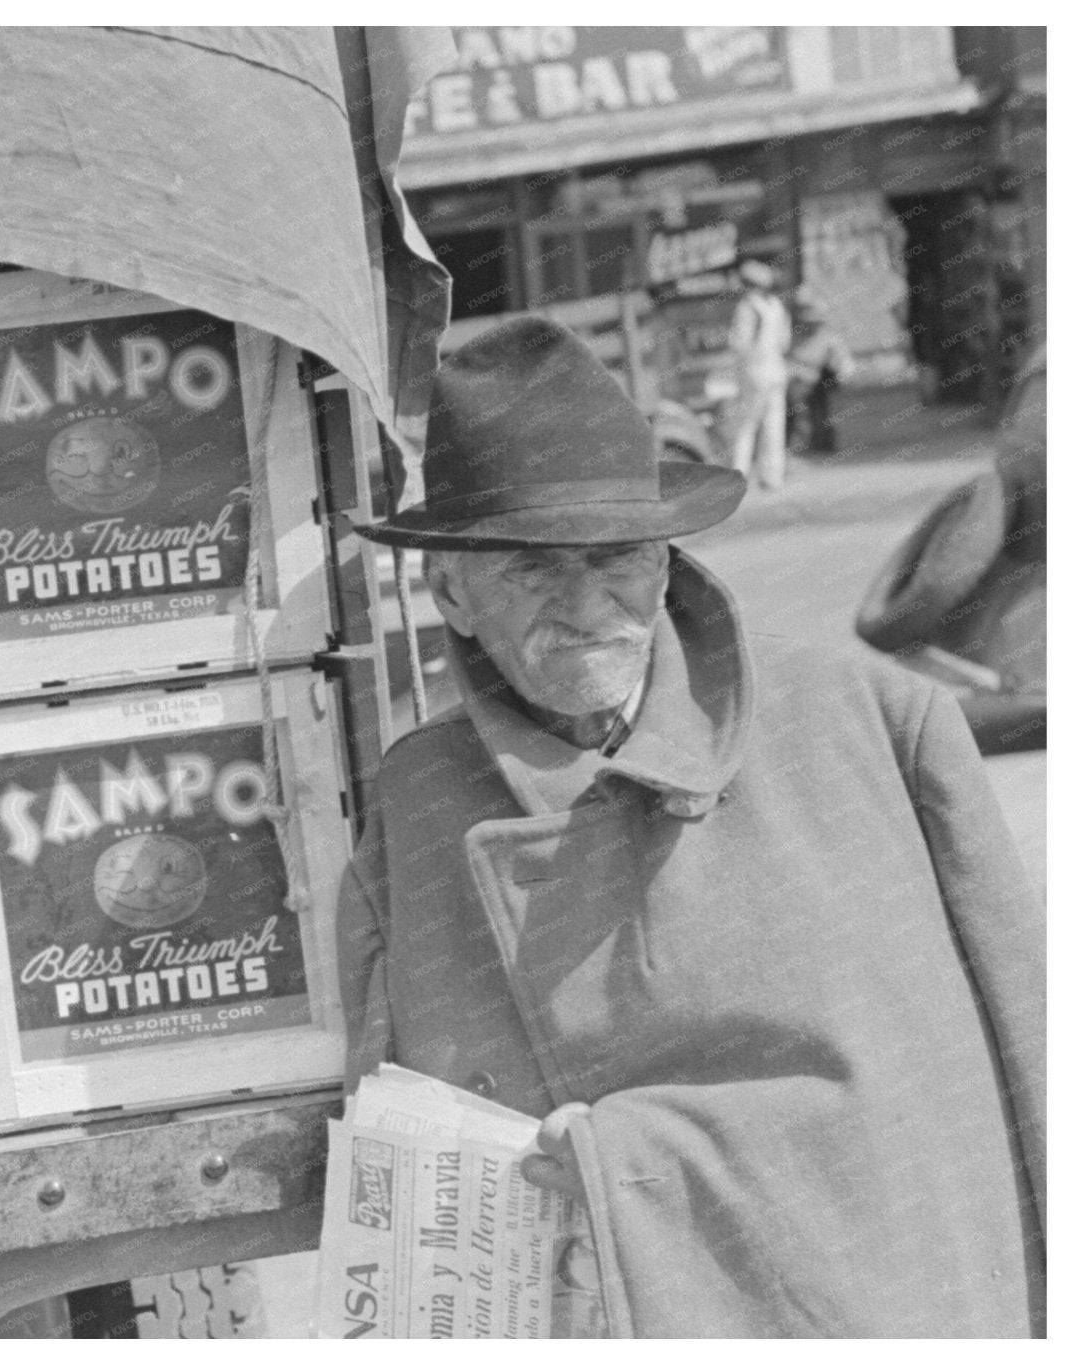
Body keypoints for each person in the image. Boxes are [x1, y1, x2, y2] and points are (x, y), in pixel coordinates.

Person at [340, 317, 1044, 1337]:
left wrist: (628, 1163)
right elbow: (403, 1157)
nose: (587, 605)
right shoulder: (416, 808)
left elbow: (1023, 1057)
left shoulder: (871, 728)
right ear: (448, 589)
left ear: (665, 560)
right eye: (532, 568)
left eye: (617, 557)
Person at [724, 259, 792, 490]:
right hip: (776, 370)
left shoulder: (747, 307)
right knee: (774, 425)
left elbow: (739, 343)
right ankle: (772, 476)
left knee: (745, 425)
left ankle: (738, 476)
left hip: (755, 372)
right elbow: (785, 342)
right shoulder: (776, 305)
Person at [786, 294, 853, 456]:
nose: (810, 325)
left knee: (821, 403)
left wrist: (836, 372)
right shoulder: (794, 337)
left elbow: (843, 365)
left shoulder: (828, 338)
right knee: (792, 403)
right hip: (799, 381)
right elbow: (789, 361)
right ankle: (793, 441)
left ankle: (823, 440)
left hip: (821, 381)